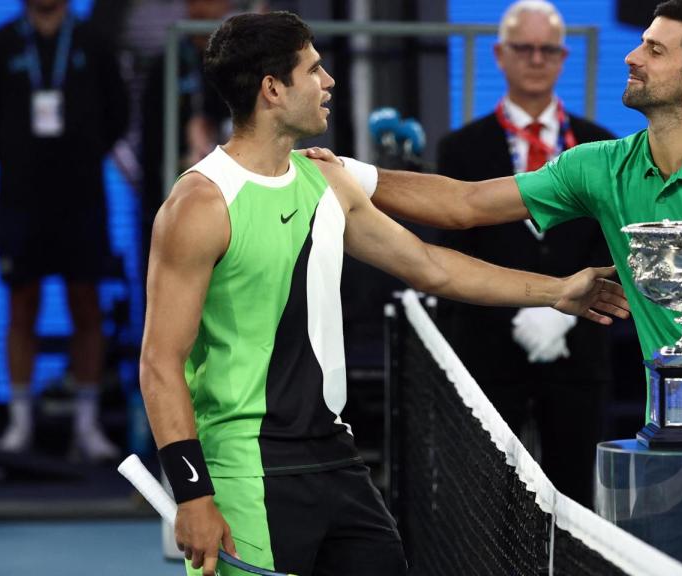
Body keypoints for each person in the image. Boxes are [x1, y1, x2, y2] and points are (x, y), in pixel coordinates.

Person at [314, 0, 682, 571]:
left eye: (654, 49)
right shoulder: (600, 168)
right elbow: (465, 203)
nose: (632, 56)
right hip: (674, 446)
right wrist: (348, 172)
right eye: (641, 42)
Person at [140, 12, 628, 576]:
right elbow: (159, 361)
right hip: (247, 469)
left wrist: (558, 290)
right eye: (313, 70)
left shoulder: (327, 180)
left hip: (336, 460)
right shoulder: (200, 204)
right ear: (272, 89)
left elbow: (432, 263)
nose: (328, 82)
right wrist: (193, 493)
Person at [434, 0, 615, 508]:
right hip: (490, 349)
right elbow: (455, 248)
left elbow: (611, 242)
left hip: (578, 352)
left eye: (548, 50)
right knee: (486, 500)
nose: (536, 59)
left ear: (563, 58)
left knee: (575, 500)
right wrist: (525, 304)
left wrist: (563, 315)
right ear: (500, 54)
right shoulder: (461, 148)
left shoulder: (601, 145)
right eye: (524, 48)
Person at [0, 0, 129, 459]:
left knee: (86, 303)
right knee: (21, 303)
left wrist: (80, 152)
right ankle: (18, 424)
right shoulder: (0, 44)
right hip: (20, 197)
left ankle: (87, 425)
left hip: (82, 196)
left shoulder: (94, 42)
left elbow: (117, 113)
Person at [140, 0, 233, 282]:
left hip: (231, 198)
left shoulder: (240, 64)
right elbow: (149, 141)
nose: (200, 8)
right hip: (176, 193)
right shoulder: (166, 64)